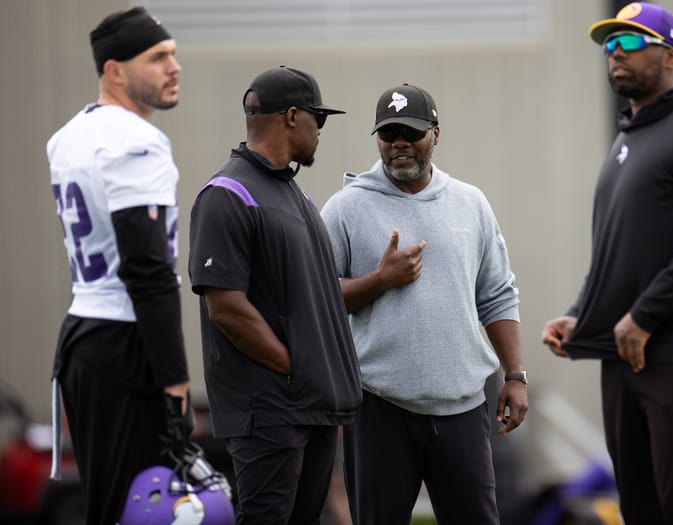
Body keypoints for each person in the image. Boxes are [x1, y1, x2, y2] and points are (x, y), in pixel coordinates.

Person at [541, 3, 673, 524]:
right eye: (611, 44)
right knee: (639, 509)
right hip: (625, 358)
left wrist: (646, 316)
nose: (616, 53)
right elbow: (618, 250)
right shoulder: (626, 140)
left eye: (633, 42)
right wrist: (583, 315)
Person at [321, 83, 528, 525]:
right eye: (388, 133)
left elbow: (496, 294)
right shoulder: (345, 209)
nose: (399, 144)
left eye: (411, 132)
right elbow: (316, 300)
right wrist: (380, 280)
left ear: (436, 134)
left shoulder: (470, 203)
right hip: (379, 406)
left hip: (463, 406)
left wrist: (515, 375)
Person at [188, 65, 362, 524]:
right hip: (268, 410)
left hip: (313, 406)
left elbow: (319, 299)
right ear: (290, 116)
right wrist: (295, 367)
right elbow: (226, 308)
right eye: (317, 119)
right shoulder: (227, 194)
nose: (320, 131)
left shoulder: (298, 198)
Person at [46, 7, 192, 525]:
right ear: (113, 70)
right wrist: (175, 380)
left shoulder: (70, 135)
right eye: (156, 58)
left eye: (173, 54)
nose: (174, 67)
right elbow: (149, 269)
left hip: (83, 336)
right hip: (128, 342)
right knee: (144, 509)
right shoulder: (135, 140)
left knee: (109, 505)